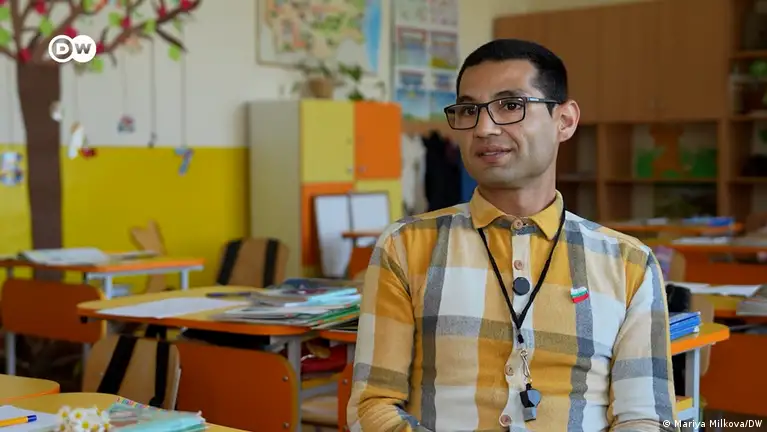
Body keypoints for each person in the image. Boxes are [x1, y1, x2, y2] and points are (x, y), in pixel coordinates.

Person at [346, 39, 676, 431]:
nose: (484, 128)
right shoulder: (405, 247)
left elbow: (646, 417)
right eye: (469, 110)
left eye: (510, 105)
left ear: (565, 121)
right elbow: (373, 406)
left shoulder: (628, 264)